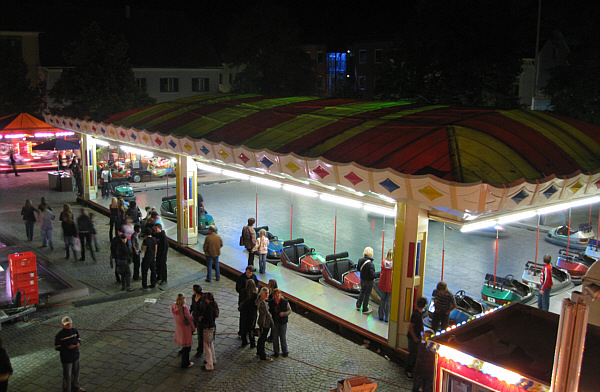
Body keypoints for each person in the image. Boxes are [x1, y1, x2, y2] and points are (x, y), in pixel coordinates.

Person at [54, 316, 85, 392]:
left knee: (76, 372)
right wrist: (67, 348)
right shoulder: (60, 335)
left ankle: (76, 387)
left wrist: (78, 343)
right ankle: (66, 390)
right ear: (63, 325)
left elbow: (78, 339)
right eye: (67, 324)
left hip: (75, 355)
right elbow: (57, 347)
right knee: (67, 375)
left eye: (70, 324)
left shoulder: (74, 331)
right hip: (66, 358)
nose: (69, 325)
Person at [170, 294, 195, 369]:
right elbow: (189, 318)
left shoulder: (173, 306)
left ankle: (182, 352)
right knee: (187, 346)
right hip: (185, 328)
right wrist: (193, 327)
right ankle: (185, 363)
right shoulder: (184, 308)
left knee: (183, 342)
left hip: (178, 327)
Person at [406, 297, 428, 379]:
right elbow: (411, 327)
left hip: (415, 337)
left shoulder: (418, 314)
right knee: (413, 354)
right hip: (413, 338)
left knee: (414, 354)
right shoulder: (416, 315)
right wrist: (415, 337)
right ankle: (409, 371)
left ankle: (411, 370)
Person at [269, 288, 291, 358]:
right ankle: (276, 352)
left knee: (283, 337)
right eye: (276, 294)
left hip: (283, 322)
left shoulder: (285, 302)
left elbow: (289, 311)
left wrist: (284, 314)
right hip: (275, 321)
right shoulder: (271, 302)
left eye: (278, 294)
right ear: (274, 295)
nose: (277, 295)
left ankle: (285, 351)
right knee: (275, 337)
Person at [200, 292, 218, 371]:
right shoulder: (213, 305)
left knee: (206, 345)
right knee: (210, 344)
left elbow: (207, 319)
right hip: (212, 327)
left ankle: (209, 364)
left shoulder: (208, 308)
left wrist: (202, 319)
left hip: (207, 328)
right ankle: (213, 359)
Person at [255, 287, 274, 362]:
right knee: (263, 339)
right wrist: (272, 324)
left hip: (261, 321)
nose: (267, 295)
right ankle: (262, 356)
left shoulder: (260, 301)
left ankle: (259, 352)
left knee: (261, 338)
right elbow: (267, 314)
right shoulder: (262, 303)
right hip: (265, 322)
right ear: (262, 294)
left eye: (268, 293)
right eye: (265, 293)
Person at [355, 247, 376, 314]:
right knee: (367, 294)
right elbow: (372, 275)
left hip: (362, 279)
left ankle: (358, 305)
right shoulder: (371, 264)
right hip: (369, 281)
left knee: (362, 292)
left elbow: (358, 269)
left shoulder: (360, 260)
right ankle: (365, 308)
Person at [239, 279, 258, 348]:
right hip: (252, 312)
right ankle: (252, 342)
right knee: (251, 328)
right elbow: (256, 305)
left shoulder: (242, 292)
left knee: (243, 326)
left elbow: (240, 301)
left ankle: (244, 341)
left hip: (244, 311)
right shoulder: (255, 294)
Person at [378, 249, 394, 322]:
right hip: (390, 284)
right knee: (388, 301)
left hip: (383, 283)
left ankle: (381, 315)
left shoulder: (383, 261)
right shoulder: (394, 264)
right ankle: (387, 317)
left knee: (382, 299)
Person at [190, 285, 204, 358]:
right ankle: (186, 345)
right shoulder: (193, 296)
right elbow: (192, 305)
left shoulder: (202, 299)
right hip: (194, 317)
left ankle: (200, 350)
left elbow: (204, 309)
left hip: (199, 320)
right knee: (189, 331)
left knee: (200, 335)